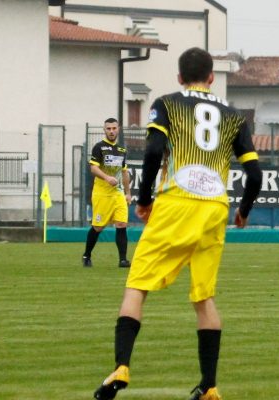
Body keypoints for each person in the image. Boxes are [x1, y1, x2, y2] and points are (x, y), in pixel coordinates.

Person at [93, 47, 263, 400]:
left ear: (179, 77)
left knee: (137, 286)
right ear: (212, 77)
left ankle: (121, 366)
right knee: (204, 298)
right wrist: (243, 210)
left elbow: (154, 152)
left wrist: (143, 200)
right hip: (215, 207)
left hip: (176, 201)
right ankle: (210, 386)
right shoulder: (234, 115)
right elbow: (255, 173)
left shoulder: (168, 103)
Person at [82, 117, 132, 268]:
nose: (111, 131)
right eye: (108, 129)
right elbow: (93, 168)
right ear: (104, 130)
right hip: (101, 193)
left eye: (114, 128)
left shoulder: (122, 150)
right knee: (98, 227)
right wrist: (106, 177)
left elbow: (124, 173)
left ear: (118, 129)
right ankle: (87, 255)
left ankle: (123, 260)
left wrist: (128, 193)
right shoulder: (99, 147)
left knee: (122, 224)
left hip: (117, 193)